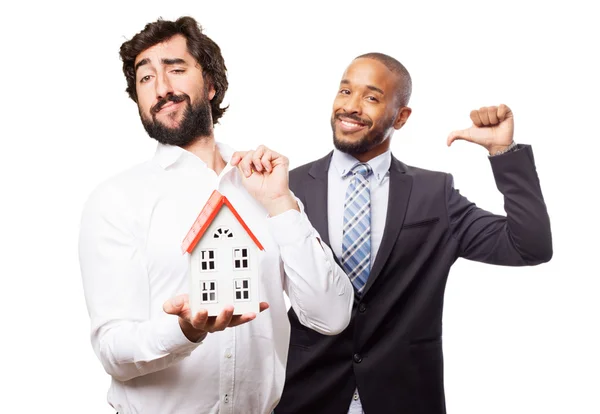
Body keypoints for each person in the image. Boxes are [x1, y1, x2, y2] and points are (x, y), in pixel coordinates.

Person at [78, 16, 353, 414]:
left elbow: (332, 315)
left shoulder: (267, 189)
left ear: (210, 84)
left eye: (175, 69)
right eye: (146, 79)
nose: (162, 89)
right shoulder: (116, 200)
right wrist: (184, 330)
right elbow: (112, 351)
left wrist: (279, 205)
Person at [275, 53, 552, 413]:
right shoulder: (287, 189)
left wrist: (503, 152)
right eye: (345, 91)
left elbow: (529, 246)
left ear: (401, 116)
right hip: (305, 394)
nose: (351, 107)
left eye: (371, 97)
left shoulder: (433, 194)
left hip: (405, 397)